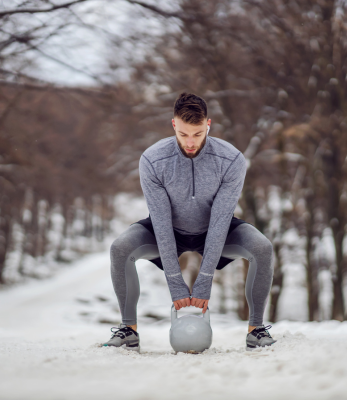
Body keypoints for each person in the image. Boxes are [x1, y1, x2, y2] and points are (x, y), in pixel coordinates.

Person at [102, 92, 275, 352]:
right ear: (174, 125)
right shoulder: (152, 160)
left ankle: (256, 330)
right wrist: (175, 282)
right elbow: (160, 222)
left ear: (208, 125)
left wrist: (203, 282)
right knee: (120, 248)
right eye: (183, 134)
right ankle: (129, 330)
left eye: (197, 133)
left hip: (216, 228)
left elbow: (220, 221)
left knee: (262, 248)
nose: (190, 142)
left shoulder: (232, 160)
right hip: (168, 228)